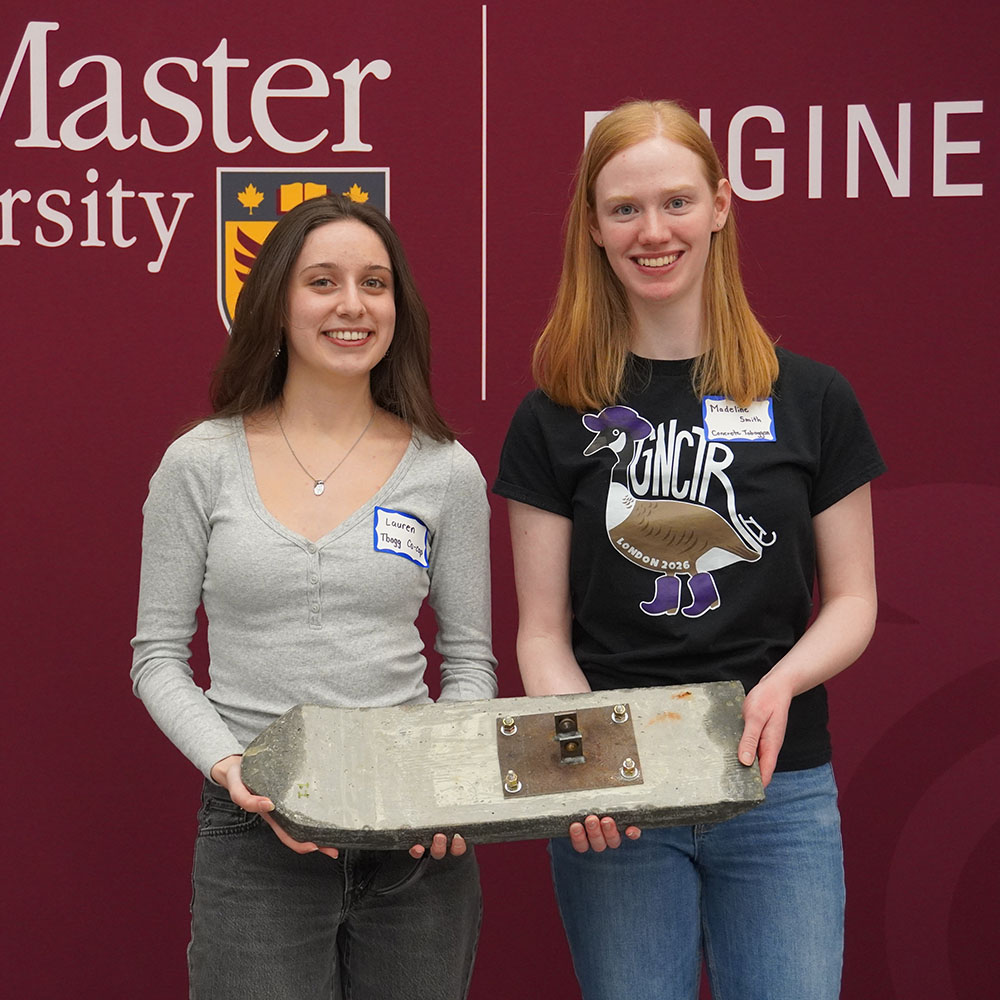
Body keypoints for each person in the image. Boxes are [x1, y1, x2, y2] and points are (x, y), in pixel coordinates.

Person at [493, 100, 884, 1000]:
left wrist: (780, 685)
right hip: (620, 803)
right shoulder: (553, 417)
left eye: (676, 202)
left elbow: (853, 599)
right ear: (594, 228)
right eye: (625, 209)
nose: (653, 231)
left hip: (776, 789)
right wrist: (585, 762)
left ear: (719, 205)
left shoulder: (812, 398)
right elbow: (542, 633)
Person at [131, 194, 497, 1000]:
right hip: (254, 833)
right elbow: (156, 658)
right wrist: (234, 768)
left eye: (374, 283)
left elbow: (471, 661)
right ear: (276, 303)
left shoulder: (446, 471)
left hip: (415, 843)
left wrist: (447, 777)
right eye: (322, 282)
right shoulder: (200, 463)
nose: (352, 305)